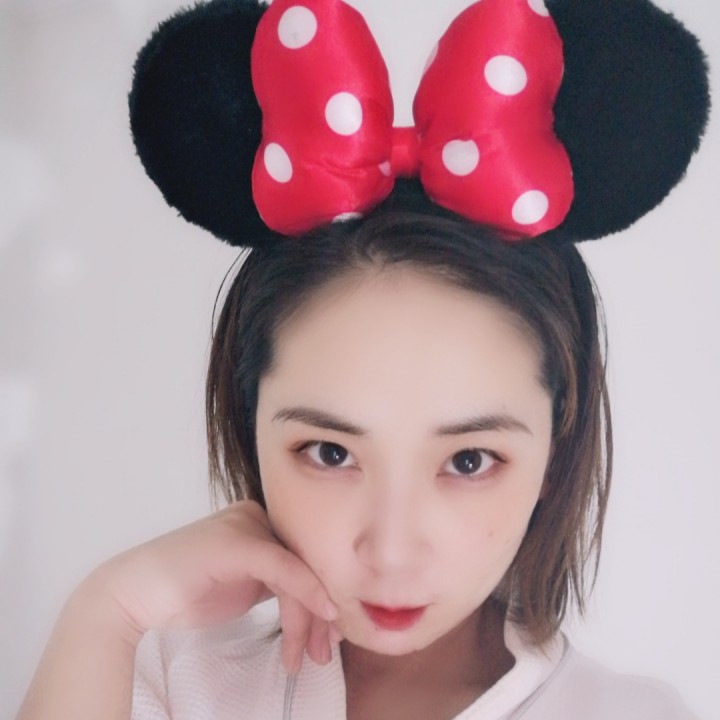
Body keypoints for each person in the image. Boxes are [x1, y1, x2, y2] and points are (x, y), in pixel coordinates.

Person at [15, 0, 710, 718]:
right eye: (330, 453)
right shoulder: (156, 675)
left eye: (469, 460)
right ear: (250, 423)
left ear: (556, 450)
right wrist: (104, 612)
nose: (392, 551)